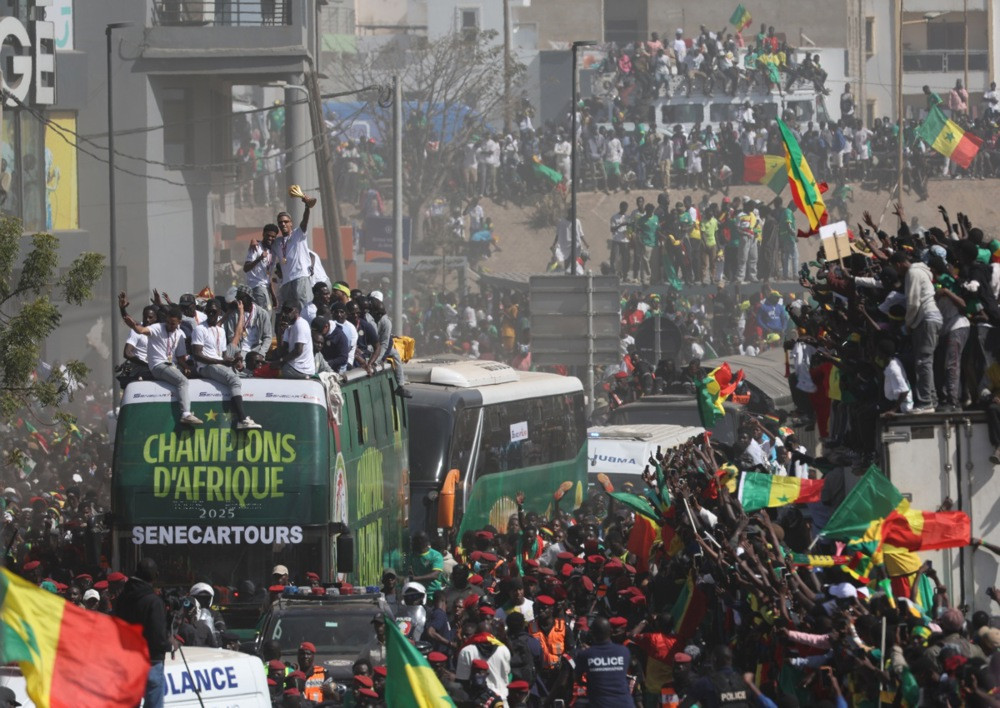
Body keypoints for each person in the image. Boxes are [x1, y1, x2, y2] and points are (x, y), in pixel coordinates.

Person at [119, 293, 202, 426]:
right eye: (168, 322)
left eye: (173, 323)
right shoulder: (158, 328)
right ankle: (186, 414)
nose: (169, 325)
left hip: (171, 366)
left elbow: (180, 358)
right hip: (158, 366)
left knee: (192, 376)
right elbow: (141, 330)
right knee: (182, 381)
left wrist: (187, 368)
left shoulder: (180, 335)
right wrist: (127, 316)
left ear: (179, 323)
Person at [191, 298, 261, 430]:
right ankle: (242, 419)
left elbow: (223, 354)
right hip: (205, 367)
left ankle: (241, 365)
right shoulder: (200, 329)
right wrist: (222, 362)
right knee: (234, 380)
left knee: (235, 349)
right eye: (208, 312)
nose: (211, 314)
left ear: (219, 313)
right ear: (205, 312)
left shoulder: (221, 331)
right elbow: (197, 355)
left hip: (217, 362)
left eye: (214, 312)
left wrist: (234, 360)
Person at [116, 558, 171, 708]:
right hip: (151, 662)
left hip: (127, 662)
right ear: (155, 575)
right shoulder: (154, 602)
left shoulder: (121, 599)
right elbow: (158, 638)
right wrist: (169, 643)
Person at [272, 192, 316, 310]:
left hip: (300, 277)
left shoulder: (298, 234)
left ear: (291, 223)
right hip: (286, 282)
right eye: (280, 222)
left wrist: (307, 207)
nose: (283, 224)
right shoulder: (277, 242)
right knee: (288, 311)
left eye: (286, 221)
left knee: (305, 308)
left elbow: (305, 221)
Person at [575, 616, 633, 706]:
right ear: (610, 632)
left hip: (600, 703)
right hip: (625, 703)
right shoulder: (624, 651)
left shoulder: (585, 655)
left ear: (592, 633)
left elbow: (577, 679)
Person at [273, 302, 316, 379]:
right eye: (284, 311)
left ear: (296, 311)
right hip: (294, 366)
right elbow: (281, 352)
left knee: (276, 372)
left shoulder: (300, 324)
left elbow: (298, 351)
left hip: (302, 369)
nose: (285, 314)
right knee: (271, 368)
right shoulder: (289, 327)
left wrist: (281, 361)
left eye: (288, 310)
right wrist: (280, 334)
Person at [244, 224, 277, 311]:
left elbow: (268, 276)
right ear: (263, 234)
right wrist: (259, 259)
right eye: (268, 235)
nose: (270, 238)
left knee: (267, 316)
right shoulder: (256, 247)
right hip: (257, 286)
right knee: (263, 316)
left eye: (273, 236)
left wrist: (273, 296)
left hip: (265, 288)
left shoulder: (272, 252)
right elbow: (246, 268)